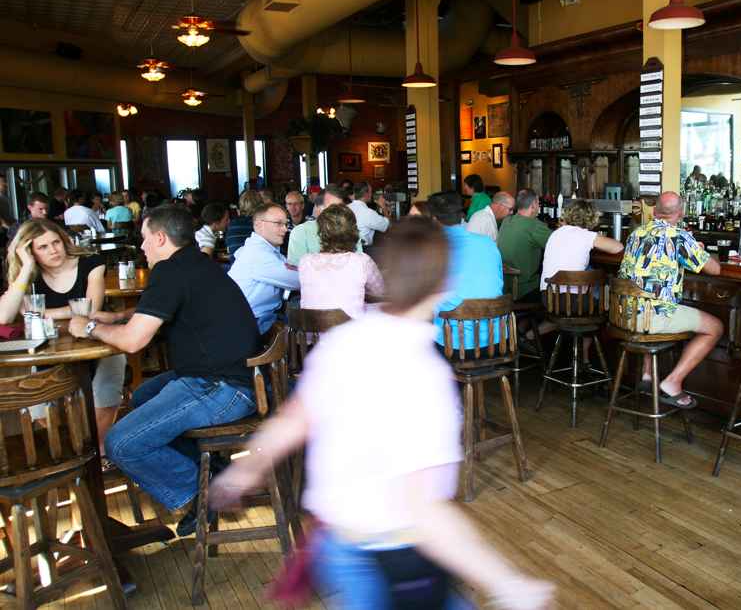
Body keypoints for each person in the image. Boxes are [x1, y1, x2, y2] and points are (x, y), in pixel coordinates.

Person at [208, 218, 556, 610]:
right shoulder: (422, 372)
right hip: (393, 555)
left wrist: (244, 470)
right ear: (443, 286)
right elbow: (421, 509)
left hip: (336, 544)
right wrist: (506, 582)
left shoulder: (344, 340)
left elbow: (294, 421)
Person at [70, 204, 260, 536]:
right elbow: (157, 310)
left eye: (144, 239)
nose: (141, 247)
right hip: (236, 380)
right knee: (142, 395)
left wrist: (88, 329)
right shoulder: (194, 261)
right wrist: (115, 318)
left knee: (121, 443)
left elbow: (132, 342)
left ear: (160, 237)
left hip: (222, 390)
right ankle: (209, 466)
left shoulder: (170, 271)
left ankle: (206, 493)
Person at [1, 219, 127, 457]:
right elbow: (5, 316)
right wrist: (26, 267)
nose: (53, 251)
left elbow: (89, 310)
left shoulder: (91, 262)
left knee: (109, 374)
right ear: (29, 251)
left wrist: (41, 313)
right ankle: (75, 446)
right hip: (49, 349)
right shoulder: (28, 272)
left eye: (56, 242)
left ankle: (99, 450)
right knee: (39, 399)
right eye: (42, 247)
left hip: (95, 341)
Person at [618, 191, 723, 408]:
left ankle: (647, 374)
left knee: (653, 305)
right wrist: (697, 249)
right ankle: (672, 383)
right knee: (716, 327)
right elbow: (715, 270)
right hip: (649, 319)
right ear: (681, 213)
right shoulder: (680, 236)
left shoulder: (636, 233)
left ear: (655, 211)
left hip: (621, 316)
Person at [535, 199, 624, 364]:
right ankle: (584, 357)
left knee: (591, 279)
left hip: (548, 299)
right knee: (601, 290)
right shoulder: (586, 236)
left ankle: (534, 336)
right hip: (575, 303)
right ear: (591, 218)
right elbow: (618, 247)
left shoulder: (556, 233)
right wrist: (594, 243)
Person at [426, 191, 503, 351]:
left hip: (455, 344)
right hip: (497, 340)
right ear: (459, 215)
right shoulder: (488, 242)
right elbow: (498, 284)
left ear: (434, 219)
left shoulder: (432, 249)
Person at [299, 204, 384, 318]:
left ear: (321, 231)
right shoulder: (361, 261)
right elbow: (378, 290)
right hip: (349, 333)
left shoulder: (305, 261)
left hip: (310, 334)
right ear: (353, 230)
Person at [228, 202, 300, 334]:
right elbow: (299, 280)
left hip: (255, 318)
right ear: (260, 224)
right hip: (247, 324)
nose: (285, 229)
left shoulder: (268, 250)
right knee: (307, 339)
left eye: (285, 224)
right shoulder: (259, 253)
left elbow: (297, 269)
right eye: (278, 223)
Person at [497, 189, 553, 303]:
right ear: (533, 205)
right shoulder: (534, 225)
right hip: (524, 290)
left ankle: (524, 320)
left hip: (504, 288)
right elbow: (559, 244)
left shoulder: (506, 221)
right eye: (538, 204)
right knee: (557, 295)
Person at [287, 186, 358, 264]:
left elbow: (357, 262)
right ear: (319, 211)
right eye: (332, 209)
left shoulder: (350, 229)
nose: (338, 212)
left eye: (341, 208)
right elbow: (296, 266)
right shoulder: (300, 232)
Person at [348, 181, 391, 255]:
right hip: (364, 250)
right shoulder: (368, 213)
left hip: (348, 249)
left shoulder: (346, 207)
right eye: (371, 192)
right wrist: (383, 206)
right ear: (365, 194)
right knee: (388, 252)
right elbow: (388, 225)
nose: (371, 194)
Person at [226, 189, 263, 255]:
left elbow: (229, 250)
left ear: (241, 208)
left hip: (236, 264)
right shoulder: (264, 224)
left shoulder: (233, 225)